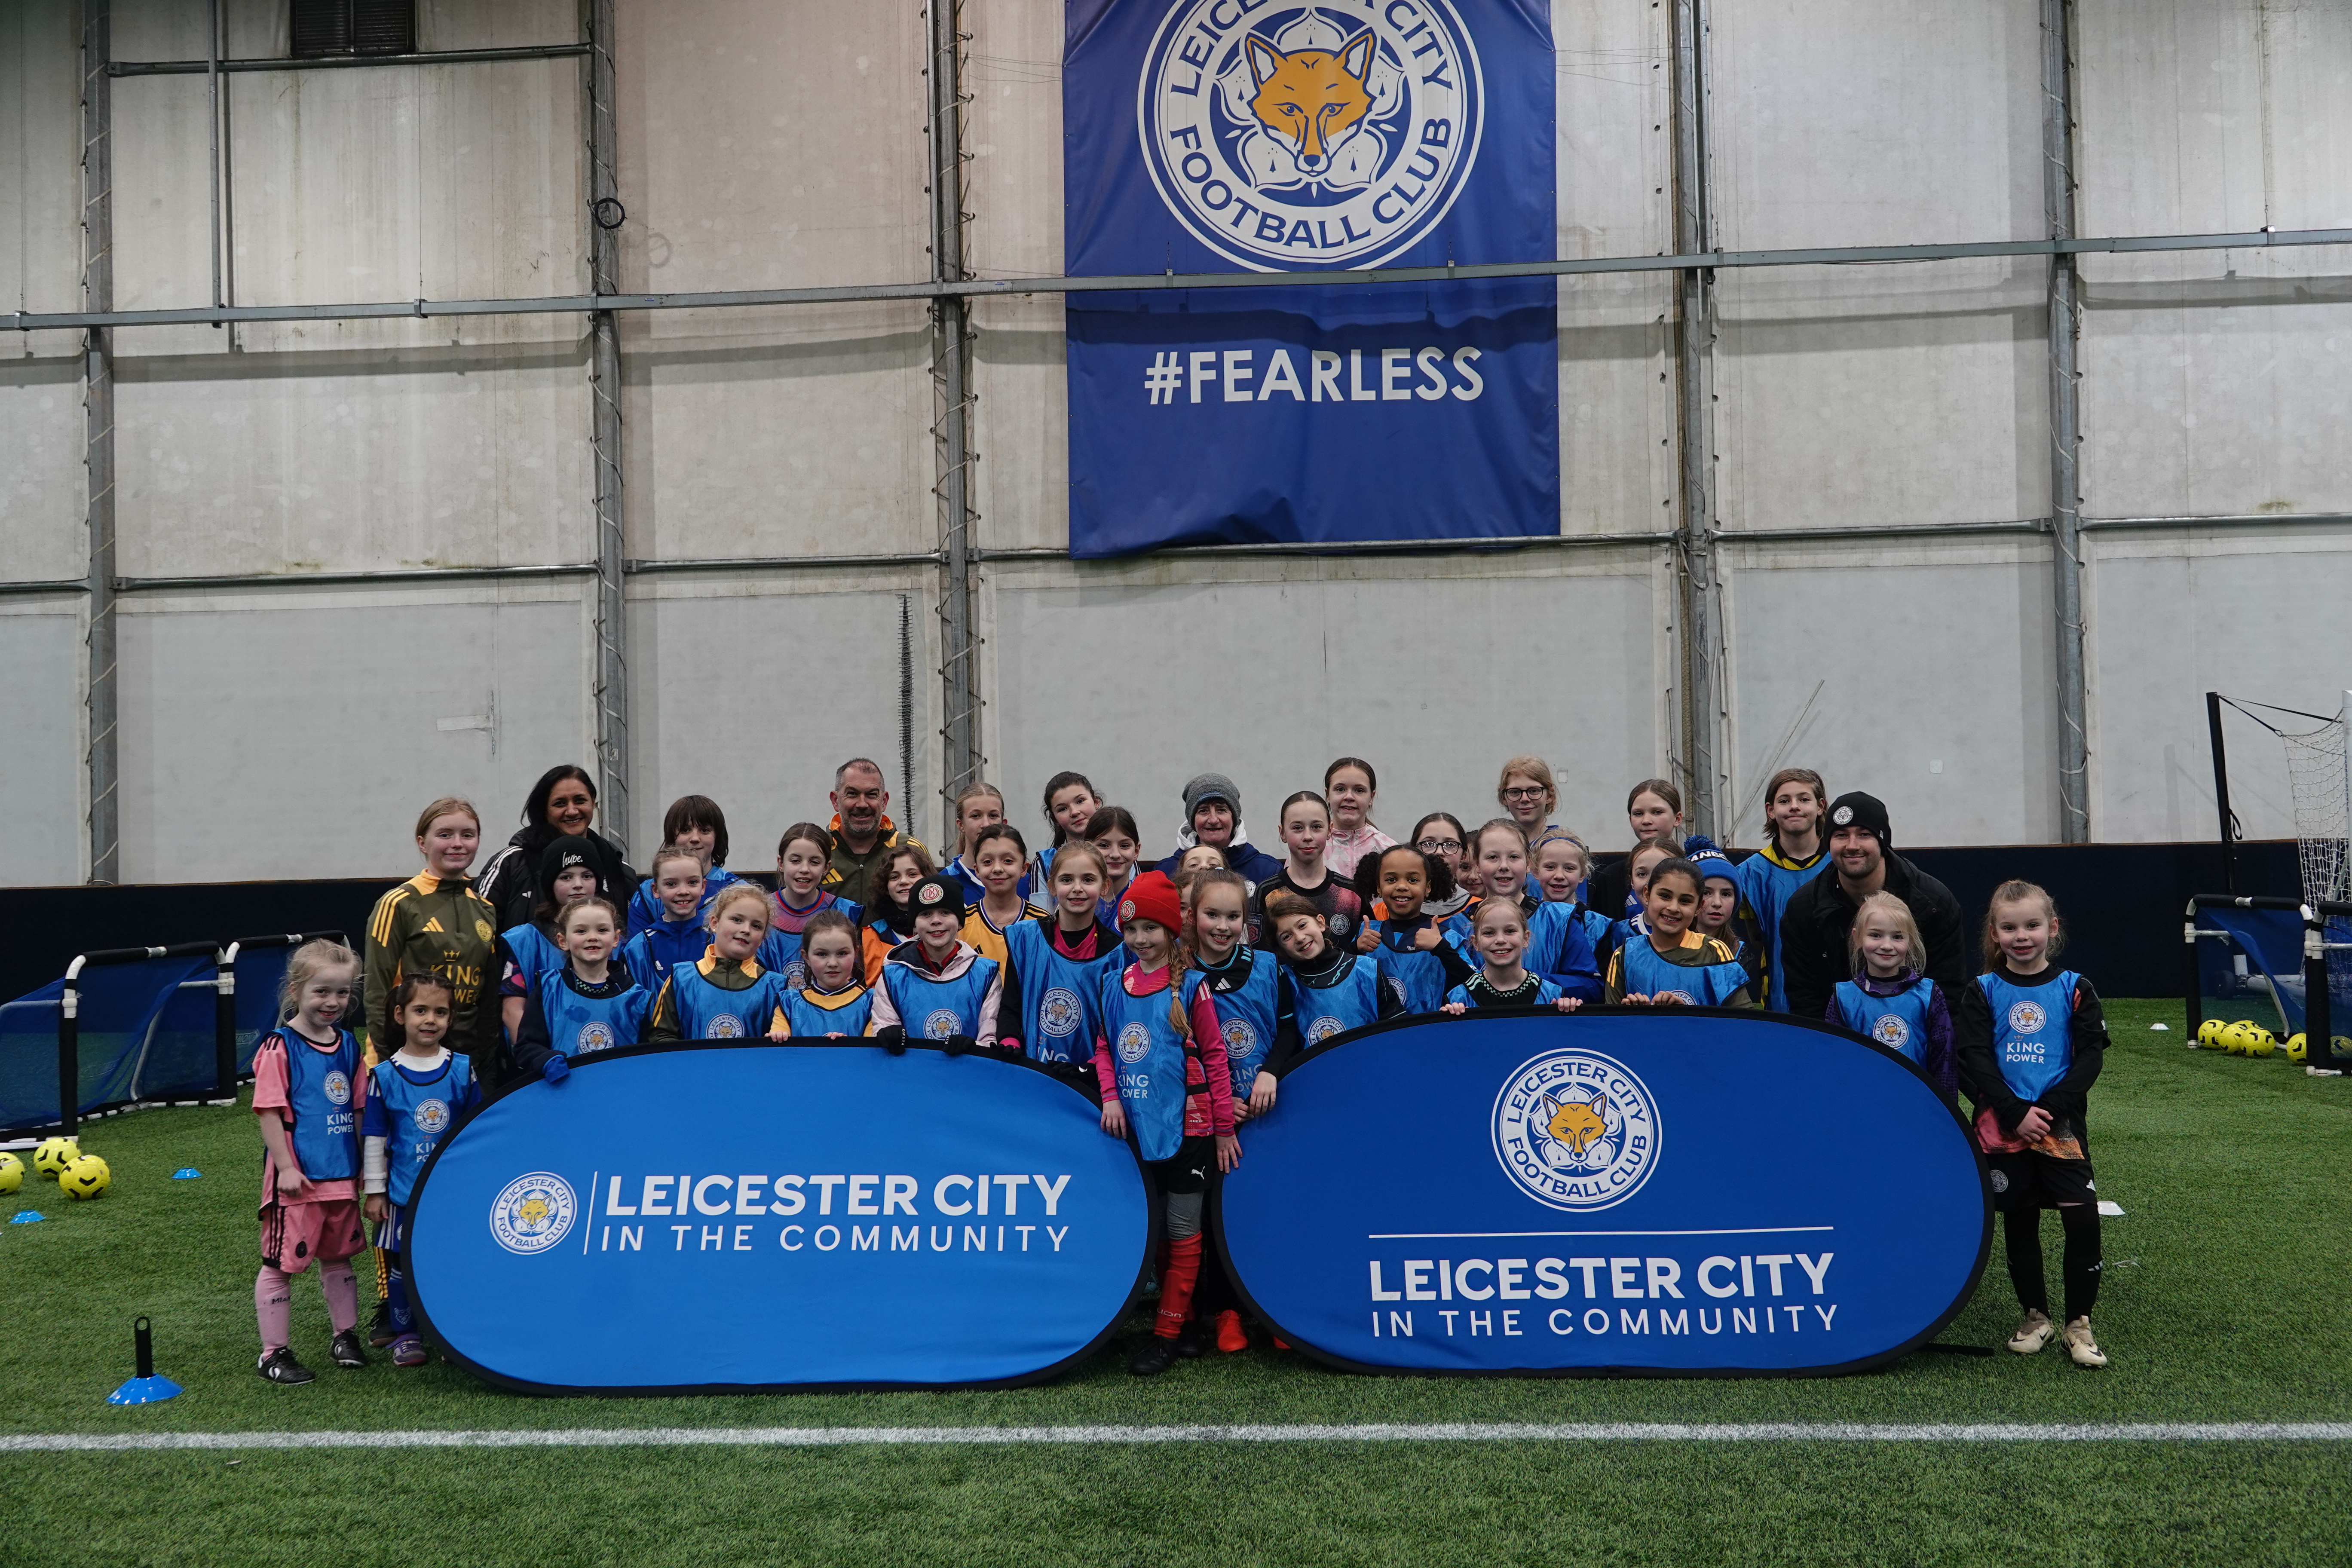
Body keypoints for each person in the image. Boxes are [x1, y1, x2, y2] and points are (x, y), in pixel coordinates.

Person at [1954, 881, 2110, 1369]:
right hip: (2004, 1127)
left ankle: (2079, 1324)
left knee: (2082, 1217)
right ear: (1995, 933)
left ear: (2052, 928)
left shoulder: (2076, 988)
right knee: (2020, 1221)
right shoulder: (1983, 991)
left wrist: (2048, 1109)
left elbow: (2089, 1059)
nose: (2022, 936)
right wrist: (2014, 1112)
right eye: (2009, 927)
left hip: (2059, 1127)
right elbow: (1975, 1059)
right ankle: (2035, 1317)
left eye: (2032, 925)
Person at [1091, 871, 1238, 1375]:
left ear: (1172, 930)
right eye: (1131, 930)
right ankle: (1187, 1319)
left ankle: (1166, 1335)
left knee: (1183, 1231)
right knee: (1153, 1234)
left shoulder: (1193, 986)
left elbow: (1216, 1058)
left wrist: (1223, 1128)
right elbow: (1106, 1048)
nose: (1139, 940)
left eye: (1150, 929)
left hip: (1190, 1133)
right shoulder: (1115, 983)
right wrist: (1111, 1098)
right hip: (1134, 1131)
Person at [251, 940, 370, 1384]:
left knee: (340, 1259)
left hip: (340, 1178)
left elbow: (358, 1110)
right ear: (296, 990)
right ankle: (273, 1353)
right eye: (322, 991)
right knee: (280, 1264)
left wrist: (362, 1162)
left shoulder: (348, 1045)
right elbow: (268, 1111)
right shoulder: (279, 1047)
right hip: (297, 1182)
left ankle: (345, 1336)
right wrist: (285, 1167)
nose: (333, 1002)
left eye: (342, 993)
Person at [1183, 865, 1282, 1356]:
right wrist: (1219, 1103)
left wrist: (1270, 1073)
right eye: (1212, 915)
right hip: (1209, 1118)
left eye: (1233, 917)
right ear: (1192, 916)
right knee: (1216, 1214)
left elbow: (1288, 1029)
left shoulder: (1267, 965)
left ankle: (1276, 1305)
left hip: (1266, 1112)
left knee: (1266, 1211)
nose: (1222, 927)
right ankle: (1225, 1311)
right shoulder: (1179, 974)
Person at [361, 971, 479, 1368]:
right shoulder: (385, 1076)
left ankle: (449, 1336)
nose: (430, 1020)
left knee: (450, 1263)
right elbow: (375, 1137)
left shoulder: (463, 1069)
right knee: (400, 1266)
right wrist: (375, 1191)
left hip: (452, 1195)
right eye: (420, 1010)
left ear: (451, 1019)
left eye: (441, 1012)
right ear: (399, 1016)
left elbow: (479, 1131)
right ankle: (406, 1336)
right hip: (403, 1193)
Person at [1777, 791, 1967, 1020]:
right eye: (1841, 835)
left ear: (1883, 841)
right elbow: (1806, 1001)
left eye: (1864, 834)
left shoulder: (1932, 903)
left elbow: (1948, 997)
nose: (1852, 846)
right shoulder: (1804, 909)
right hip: (1838, 1045)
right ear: (1827, 843)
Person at [364, 798, 502, 1070]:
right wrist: (388, 1060)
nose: (457, 843)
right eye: (444, 834)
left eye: (468, 835)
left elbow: (487, 997)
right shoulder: (399, 903)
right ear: (422, 843)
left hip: (466, 1059)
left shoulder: (485, 909)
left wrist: (487, 1060)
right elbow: (376, 990)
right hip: (405, 1054)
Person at [998, 840, 1122, 1085]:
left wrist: (1091, 1070)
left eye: (1088, 880)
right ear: (1052, 886)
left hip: (1088, 1085)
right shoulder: (1025, 938)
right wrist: (1009, 1041)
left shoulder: (1118, 953)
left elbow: (1115, 1026)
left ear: (1105, 885)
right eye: (1067, 880)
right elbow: (1010, 1005)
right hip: (1032, 1076)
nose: (1077, 888)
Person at [477, 765, 639, 937]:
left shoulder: (615, 864)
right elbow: (480, 933)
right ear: (544, 810)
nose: (572, 811)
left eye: (580, 801)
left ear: (593, 802)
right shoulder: (511, 863)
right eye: (560, 804)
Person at [1829, 891, 1957, 1108]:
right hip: (1863, 1106)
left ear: (1910, 941)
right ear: (1858, 937)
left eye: (1898, 937)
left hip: (1918, 1105)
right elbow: (1835, 1061)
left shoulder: (1928, 994)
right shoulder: (1844, 997)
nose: (1887, 945)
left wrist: (1946, 1112)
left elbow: (1944, 1059)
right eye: (1876, 935)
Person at [511, 895, 652, 1082]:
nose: (592, 937)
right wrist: (544, 1060)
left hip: (620, 1094)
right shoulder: (548, 989)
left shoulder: (638, 998)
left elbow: (649, 1056)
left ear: (616, 938)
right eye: (581, 931)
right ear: (563, 941)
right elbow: (526, 1046)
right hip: (565, 1093)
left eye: (602, 930)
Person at [494, 836, 616, 1048]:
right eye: (566, 877)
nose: (578, 885)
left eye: (587, 876)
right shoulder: (524, 941)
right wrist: (535, 1059)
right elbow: (513, 1010)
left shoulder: (611, 939)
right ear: (551, 884)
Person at [1733, 768, 1832, 1012]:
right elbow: (1756, 937)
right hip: (1779, 998)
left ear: (1820, 807)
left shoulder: (1840, 862)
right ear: (1771, 811)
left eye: (1804, 799)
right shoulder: (1749, 873)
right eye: (1785, 801)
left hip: (1837, 995)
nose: (1795, 806)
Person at [869, 875, 1002, 1049]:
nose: (936, 920)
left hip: (968, 1073)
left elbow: (991, 1039)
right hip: (913, 1074)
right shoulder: (892, 976)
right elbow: (883, 1028)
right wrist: (888, 1036)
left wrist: (974, 1048)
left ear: (960, 922)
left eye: (946, 912)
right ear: (915, 926)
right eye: (925, 914)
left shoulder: (986, 974)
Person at [645, 884, 790, 1043]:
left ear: (763, 937)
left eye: (756, 926)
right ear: (714, 923)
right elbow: (661, 1036)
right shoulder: (681, 979)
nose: (746, 930)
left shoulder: (775, 987)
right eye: (737, 920)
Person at [1604, 856, 1752, 1007]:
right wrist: (1635, 1015)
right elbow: (1612, 1024)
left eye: (1685, 901)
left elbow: (1744, 1020)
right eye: (1665, 896)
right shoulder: (1625, 956)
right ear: (1647, 895)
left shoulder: (1715, 951)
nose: (1674, 908)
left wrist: (1684, 1015)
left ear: (1699, 907)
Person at [1268, 888, 1405, 1048]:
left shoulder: (1367, 970)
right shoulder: (1285, 984)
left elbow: (1397, 1029)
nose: (1299, 938)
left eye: (1303, 925)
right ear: (1280, 949)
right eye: (1287, 937)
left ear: (1320, 923)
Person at [1355, 843, 1474, 1012]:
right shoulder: (1365, 935)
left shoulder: (1446, 939)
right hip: (1379, 1036)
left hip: (1430, 1033)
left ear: (1428, 887)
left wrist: (1441, 949)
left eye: (1413, 880)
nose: (1402, 886)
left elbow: (1477, 984)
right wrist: (1355, 949)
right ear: (1378, 887)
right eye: (1391, 880)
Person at [1250, 791, 1362, 949]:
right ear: (1282, 833)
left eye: (1316, 827)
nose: (1308, 836)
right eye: (1297, 828)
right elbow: (1260, 954)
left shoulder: (1351, 893)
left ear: (1330, 830)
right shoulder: (1267, 892)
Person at [760, 824, 865, 990]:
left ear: (826, 868)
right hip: (773, 1012)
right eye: (795, 861)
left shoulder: (846, 911)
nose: (804, 869)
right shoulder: (760, 912)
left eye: (814, 862)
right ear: (781, 863)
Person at [821, 758, 931, 910]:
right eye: (852, 794)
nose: (862, 804)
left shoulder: (910, 849)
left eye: (872, 795)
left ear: (884, 801)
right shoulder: (819, 850)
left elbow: (933, 908)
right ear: (835, 801)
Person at [624, 796, 741, 937]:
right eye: (686, 830)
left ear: (717, 836)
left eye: (705, 830)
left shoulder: (738, 891)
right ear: (671, 836)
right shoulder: (648, 893)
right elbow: (634, 951)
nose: (695, 838)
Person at [1440, 899, 1580, 1013]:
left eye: (1510, 931)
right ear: (1475, 943)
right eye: (1489, 933)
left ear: (1525, 939)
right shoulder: (1459, 998)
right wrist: (1453, 1021)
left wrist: (1568, 1011)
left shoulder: (1552, 995)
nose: (1500, 940)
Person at [1585, 778, 1689, 922]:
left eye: (1657, 812)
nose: (1646, 820)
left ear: (1677, 818)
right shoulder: (1610, 877)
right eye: (1638, 814)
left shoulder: (1694, 869)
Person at [1153, 773, 1282, 886]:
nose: (1213, 820)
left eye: (1222, 810)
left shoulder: (1267, 871)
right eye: (1203, 811)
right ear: (1193, 821)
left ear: (1234, 817)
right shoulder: (1165, 873)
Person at [619, 844, 710, 994]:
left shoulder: (717, 941)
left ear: (703, 886)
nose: (683, 891)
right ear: (655, 890)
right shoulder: (639, 947)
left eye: (692, 882)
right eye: (671, 884)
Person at [779, 911, 876, 1038]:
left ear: (856, 953)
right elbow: (781, 1049)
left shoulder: (873, 1001)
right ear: (806, 957)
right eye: (822, 954)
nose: (832, 963)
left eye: (842, 953)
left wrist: (848, 1047)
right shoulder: (788, 1003)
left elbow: (872, 1051)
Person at [1684, 837, 1763, 995]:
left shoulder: (1740, 954)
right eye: (1706, 893)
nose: (1717, 903)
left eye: (1726, 894)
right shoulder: (1666, 946)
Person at [860, 842, 938, 985]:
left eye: (912, 874)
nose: (903, 881)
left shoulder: (944, 927)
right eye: (894, 877)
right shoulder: (870, 936)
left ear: (928, 878)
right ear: (885, 887)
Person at [958, 823, 1035, 966]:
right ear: (977, 870)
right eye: (988, 862)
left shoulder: (1042, 923)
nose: (998, 869)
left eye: (1008, 861)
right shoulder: (960, 925)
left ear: (1024, 869)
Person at [944, 783, 1029, 908]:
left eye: (993, 816)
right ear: (961, 825)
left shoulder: (1026, 881)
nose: (986, 824)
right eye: (976, 816)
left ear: (1004, 823)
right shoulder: (945, 882)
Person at [1321, 757, 1394, 881]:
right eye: (1340, 789)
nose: (1349, 797)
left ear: (1372, 797)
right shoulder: (1313, 847)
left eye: (1359, 790)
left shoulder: (1389, 851)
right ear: (1328, 795)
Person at [1031, 771, 1103, 889]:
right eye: (1063, 809)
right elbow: (1040, 908)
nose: (1074, 812)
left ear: (1096, 802)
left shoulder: (1117, 855)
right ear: (1054, 818)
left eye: (1080, 801)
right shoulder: (1044, 863)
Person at [1085, 806, 1145, 928]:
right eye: (1104, 845)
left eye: (1124, 846)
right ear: (1088, 848)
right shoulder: (1078, 898)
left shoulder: (1146, 899)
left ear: (1137, 851)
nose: (1115, 855)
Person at [1497, 755, 1568, 847]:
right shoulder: (1496, 847)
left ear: (1549, 796)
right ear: (1504, 798)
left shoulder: (1563, 848)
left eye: (1534, 791)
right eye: (1515, 792)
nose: (1525, 799)